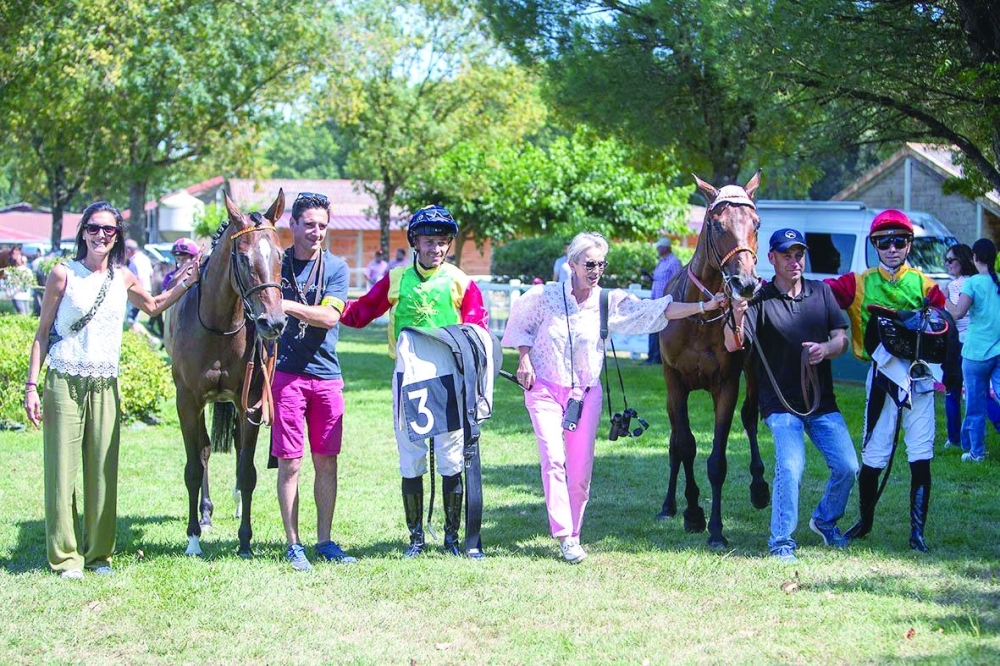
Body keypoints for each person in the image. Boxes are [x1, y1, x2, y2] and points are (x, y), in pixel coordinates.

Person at [502, 231, 727, 563]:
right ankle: (564, 534)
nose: (595, 271)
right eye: (589, 264)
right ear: (572, 264)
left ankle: (573, 535)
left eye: (600, 264)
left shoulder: (607, 301)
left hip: (585, 393)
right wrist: (523, 358)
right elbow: (522, 326)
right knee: (553, 460)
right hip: (545, 388)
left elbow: (656, 310)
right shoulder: (544, 296)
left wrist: (704, 305)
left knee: (579, 470)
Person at [23, 201, 199, 579]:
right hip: (63, 379)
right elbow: (42, 334)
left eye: (109, 230)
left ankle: (98, 554)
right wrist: (31, 386)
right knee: (61, 471)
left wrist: (188, 280)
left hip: (106, 381)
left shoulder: (123, 277)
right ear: (82, 231)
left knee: (103, 470)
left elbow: (153, 306)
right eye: (94, 228)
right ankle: (66, 557)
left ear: (117, 235)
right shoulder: (62, 273)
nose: (101, 235)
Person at [341, 205, 489, 558]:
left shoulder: (461, 282)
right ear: (414, 242)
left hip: (450, 379)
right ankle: (416, 539)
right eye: (427, 241)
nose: (434, 249)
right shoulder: (396, 278)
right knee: (411, 456)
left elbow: (476, 328)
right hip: (407, 378)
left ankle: (452, 540)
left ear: (448, 245)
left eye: (441, 242)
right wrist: (330, 304)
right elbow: (360, 313)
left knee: (451, 457)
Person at [730, 229, 858, 563]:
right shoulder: (759, 298)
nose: (794, 261)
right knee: (790, 467)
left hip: (820, 402)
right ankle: (781, 543)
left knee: (847, 466)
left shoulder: (822, 293)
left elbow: (841, 338)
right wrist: (738, 310)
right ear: (771, 259)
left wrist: (826, 349)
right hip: (780, 404)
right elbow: (734, 344)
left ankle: (825, 521)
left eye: (799, 254)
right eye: (786, 255)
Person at [826, 209, 946, 552]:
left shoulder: (925, 285)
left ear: (909, 244)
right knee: (874, 454)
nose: (892, 249)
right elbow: (818, 293)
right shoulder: (858, 282)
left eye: (899, 241)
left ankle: (917, 533)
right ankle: (864, 523)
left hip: (920, 380)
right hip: (880, 377)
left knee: (920, 453)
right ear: (874, 245)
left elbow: (945, 326)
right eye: (883, 242)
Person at [269, 192, 356, 571]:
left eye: (322, 225)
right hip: (286, 376)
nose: (316, 232)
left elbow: (330, 317)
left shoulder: (336, 268)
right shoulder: (277, 264)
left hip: (326, 377)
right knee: (290, 463)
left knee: (327, 461)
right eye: (309, 224)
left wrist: (285, 305)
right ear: (293, 225)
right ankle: (293, 544)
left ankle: (325, 540)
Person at [945, 238, 1000, 463]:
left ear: (975, 258)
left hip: (975, 353)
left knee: (975, 405)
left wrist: (945, 299)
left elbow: (957, 313)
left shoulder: (972, 283)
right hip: (998, 350)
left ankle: (977, 452)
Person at [942, 244, 977, 448]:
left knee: (952, 390)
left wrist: (945, 298)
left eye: (951, 260)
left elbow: (955, 314)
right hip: (977, 343)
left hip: (958, 343)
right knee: (975, 392)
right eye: (945, 260)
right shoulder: (978, 282)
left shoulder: (956, 285)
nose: (947, 264)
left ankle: (954, 438)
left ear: (962, 261)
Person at [645, 237, 684, 365]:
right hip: (655, 301)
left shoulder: (674, 262)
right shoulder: (661, 262)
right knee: (653, 329)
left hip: (666, 302)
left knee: (661, 330)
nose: (657, 249)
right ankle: (651, 356)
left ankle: (657, 358)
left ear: (665, 248)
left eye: (659, 247)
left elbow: (678, 281)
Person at [124, 239, 153, 325]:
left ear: (129, 250)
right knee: (133, 319)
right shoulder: (145, 258)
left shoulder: (134, 261)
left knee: (130, 320)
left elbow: (139, 278)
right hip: (147, 289)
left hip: (137, 291)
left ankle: (149, 338)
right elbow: (151, 274)